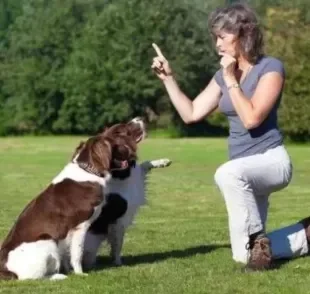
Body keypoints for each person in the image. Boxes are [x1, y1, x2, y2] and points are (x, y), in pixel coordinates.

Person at [151, 2, 310, 271]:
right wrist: (168, 79)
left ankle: (259, 243)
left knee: (227, 173)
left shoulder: (270, 68)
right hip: (242, 173)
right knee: (244, 256)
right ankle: (304, 235)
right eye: (215, 37)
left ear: (244, 34)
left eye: (222, 36)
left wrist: (231, 78)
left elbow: (252, 118)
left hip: (271, 161)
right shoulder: (221, 76)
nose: (217, 43)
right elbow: (191, 113)